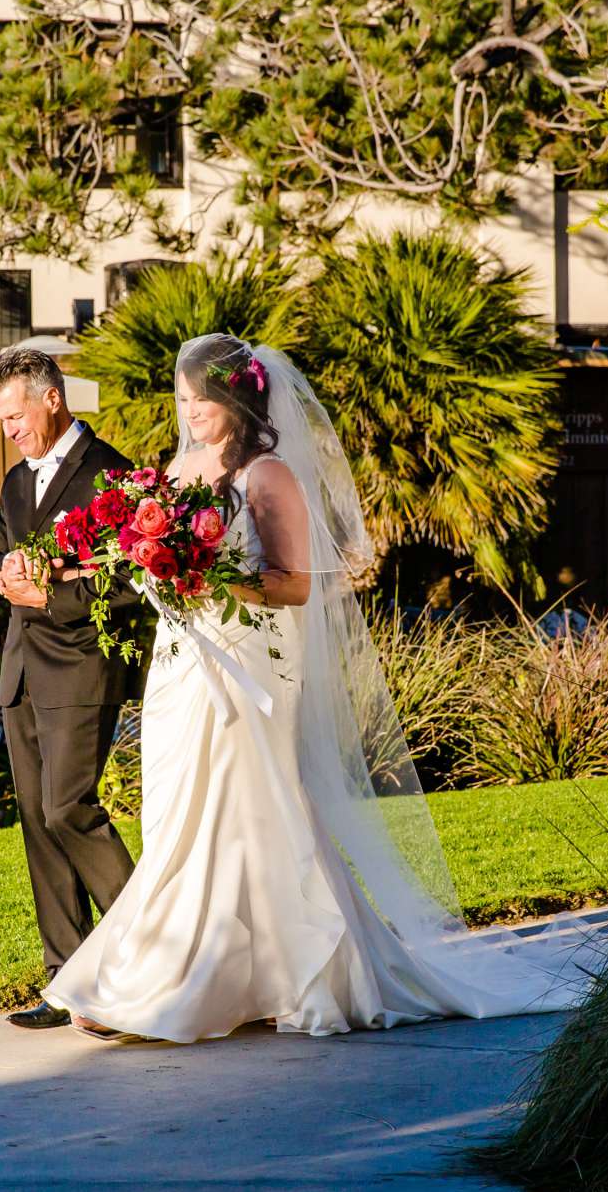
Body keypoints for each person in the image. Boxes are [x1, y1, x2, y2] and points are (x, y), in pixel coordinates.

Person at [42, 335, 575, 1042]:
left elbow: (297, 587)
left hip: (248, 666)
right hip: (180, 667)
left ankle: (196, 981)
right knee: (175, 817)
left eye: (203, 398)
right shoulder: (179, 467)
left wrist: (208, 578)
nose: (191, 411)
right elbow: (150, 554)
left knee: (243, 813)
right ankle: (215, 973)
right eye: (183, 399)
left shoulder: (270, 476)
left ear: (238, 396)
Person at [0, 346, 139, 1030]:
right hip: (22, 671)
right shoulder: (15, 482)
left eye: (14, 416)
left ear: (51, 399)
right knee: (39, 822)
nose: (9, 430)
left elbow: (133, 580)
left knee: (70, 807)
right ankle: (68, 983)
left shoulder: (114, 476)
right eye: (0, 419)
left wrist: (51, 595)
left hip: (81, 666)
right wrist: (2, 577)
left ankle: (147, 958)